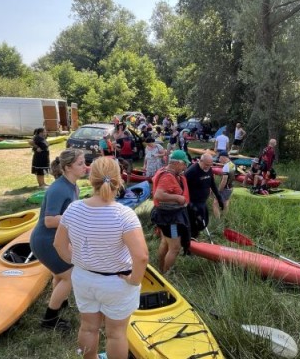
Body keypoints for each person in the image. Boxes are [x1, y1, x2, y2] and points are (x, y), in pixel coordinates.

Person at [54, 157, 148, 359]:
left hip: (84, 278)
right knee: (116, 334)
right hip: (117, 283)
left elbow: (59, 245)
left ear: (90, 179)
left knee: (88, 328)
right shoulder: (124, 215)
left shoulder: (73, 209)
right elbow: (141, 257)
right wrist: (134, 280)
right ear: (120, 179)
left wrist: (79, 262)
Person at [30, 148, 87, 331]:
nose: (85, 167)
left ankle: (59, 303)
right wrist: (79, 215)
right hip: (45, 241)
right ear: (68, 167)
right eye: (80, 164)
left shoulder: (73, 186)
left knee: (59, 275)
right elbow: (49, 220)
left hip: (56, 240)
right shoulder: (58, 188)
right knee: (70, 277)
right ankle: (49, 320)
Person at [150, 150, 190, 273]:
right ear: (178, 163)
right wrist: (178, 198)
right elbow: (158, 195)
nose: (185, 168)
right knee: (175, 248)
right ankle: (167, 275)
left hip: (164, 215)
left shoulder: (167, 172)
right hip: (170, 218)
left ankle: (161, 269)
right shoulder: (167, 176)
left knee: (165, 242)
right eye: (184, 164)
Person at [185, 153, 223, 239]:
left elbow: (212, 184)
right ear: (200, 161)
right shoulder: (192, 171)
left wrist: (219, 197)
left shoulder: (209, 169)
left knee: (203, 222)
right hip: (192, 203)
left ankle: (195, 236)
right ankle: (189, 242)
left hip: (202, 202)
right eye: (206, 165)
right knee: (194, 223)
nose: (208, 167)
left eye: (210, 165)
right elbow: (182, 186)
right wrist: (188, 202)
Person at [213, 151, 236, 218]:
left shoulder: (226, 167)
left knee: (215, 203)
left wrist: (219, 190)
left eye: (219, 158)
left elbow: (224, 180)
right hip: (231, 187)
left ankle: (217, 220)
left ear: (223, 157)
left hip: (225, 188)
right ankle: (225, 217)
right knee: (226, 201)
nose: (219, 160)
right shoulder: (232, 164)